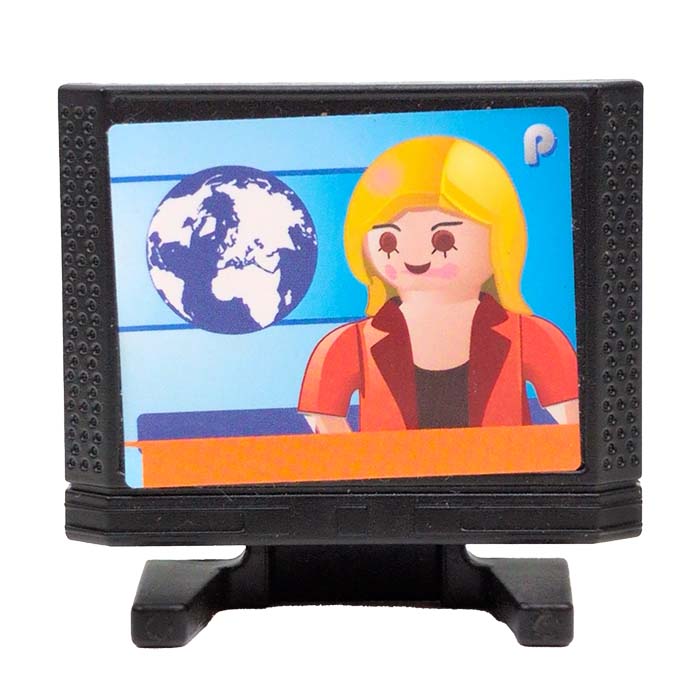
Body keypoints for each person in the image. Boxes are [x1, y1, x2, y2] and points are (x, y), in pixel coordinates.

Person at [298, 135, 578, 433]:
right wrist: (366, 461)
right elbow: (322, 415)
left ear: (501, 239)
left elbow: (576, 423)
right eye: (388, 240)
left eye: (443, 239)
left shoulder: (531, 337)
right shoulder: (349, 344)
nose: (415, 256)